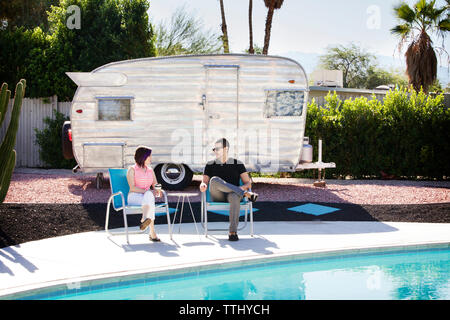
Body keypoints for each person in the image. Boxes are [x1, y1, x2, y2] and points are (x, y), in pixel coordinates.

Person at [199, 138, 258, 241]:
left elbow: (248, 182)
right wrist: (203, 185)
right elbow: (205, 182)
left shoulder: (238, 163)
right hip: (217, 195)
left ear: (226, 149)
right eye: (214, 149)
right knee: (215, 180)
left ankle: (232, 232)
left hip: (233, 195)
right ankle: (245, 194)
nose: (215, 151)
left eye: (217, 149)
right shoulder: (210, 164)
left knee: (235, 196)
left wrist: (241, 187)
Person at [127, 146, 162, 242]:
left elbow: (155, 184)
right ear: (143, 157)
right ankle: (152, 232)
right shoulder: (132, 169)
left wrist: (159, 190)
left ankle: (145, 217)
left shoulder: (150, 170)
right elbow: (132, 187)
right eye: (149, 156)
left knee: (149, 196)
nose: (151, 158)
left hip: (146, 197)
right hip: (134, 196)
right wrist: (148, 191)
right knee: (149, 197)